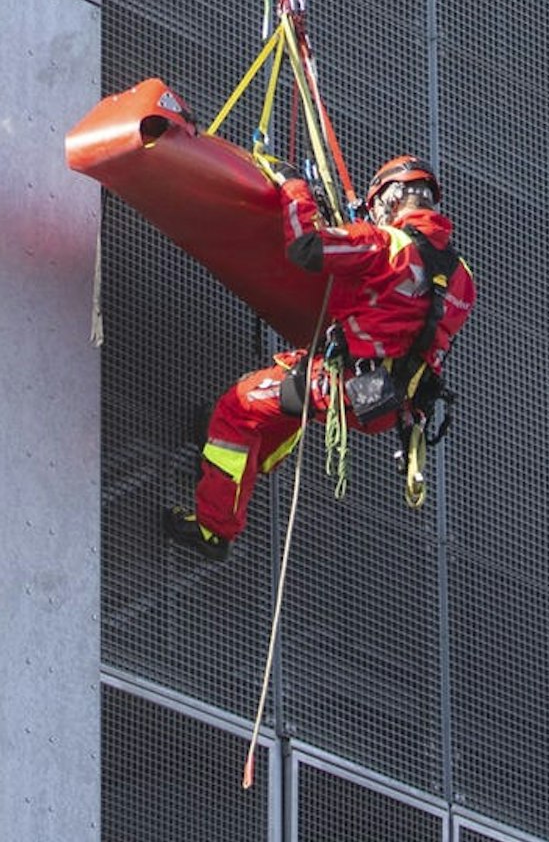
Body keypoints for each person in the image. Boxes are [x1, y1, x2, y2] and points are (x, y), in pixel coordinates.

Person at [165, 154, 475, 557]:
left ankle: (213, 529)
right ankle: (232, 471)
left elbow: (306, 247)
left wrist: (293, 185)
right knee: (287, 385)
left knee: (237, 407)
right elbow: (403, 314)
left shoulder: (383, 244)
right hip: (390, 403)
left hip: (347, 387)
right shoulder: (462, 276)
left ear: (393, 197)